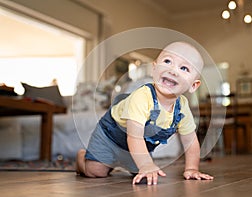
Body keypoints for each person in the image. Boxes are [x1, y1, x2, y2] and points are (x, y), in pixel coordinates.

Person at [76, 41, 214, 185]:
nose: (173, 71)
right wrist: (146, 165)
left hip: (137, 145)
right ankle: (82, 157)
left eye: (184, 68)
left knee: (144, 177)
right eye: (168, 61)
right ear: (154, 69)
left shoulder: (182, 108)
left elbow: (190, 140)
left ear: (193, 85)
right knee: (96, 171)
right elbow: (134, 136)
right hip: (111, 135)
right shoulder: (142, 96)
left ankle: (112, 162)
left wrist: (192, 168)